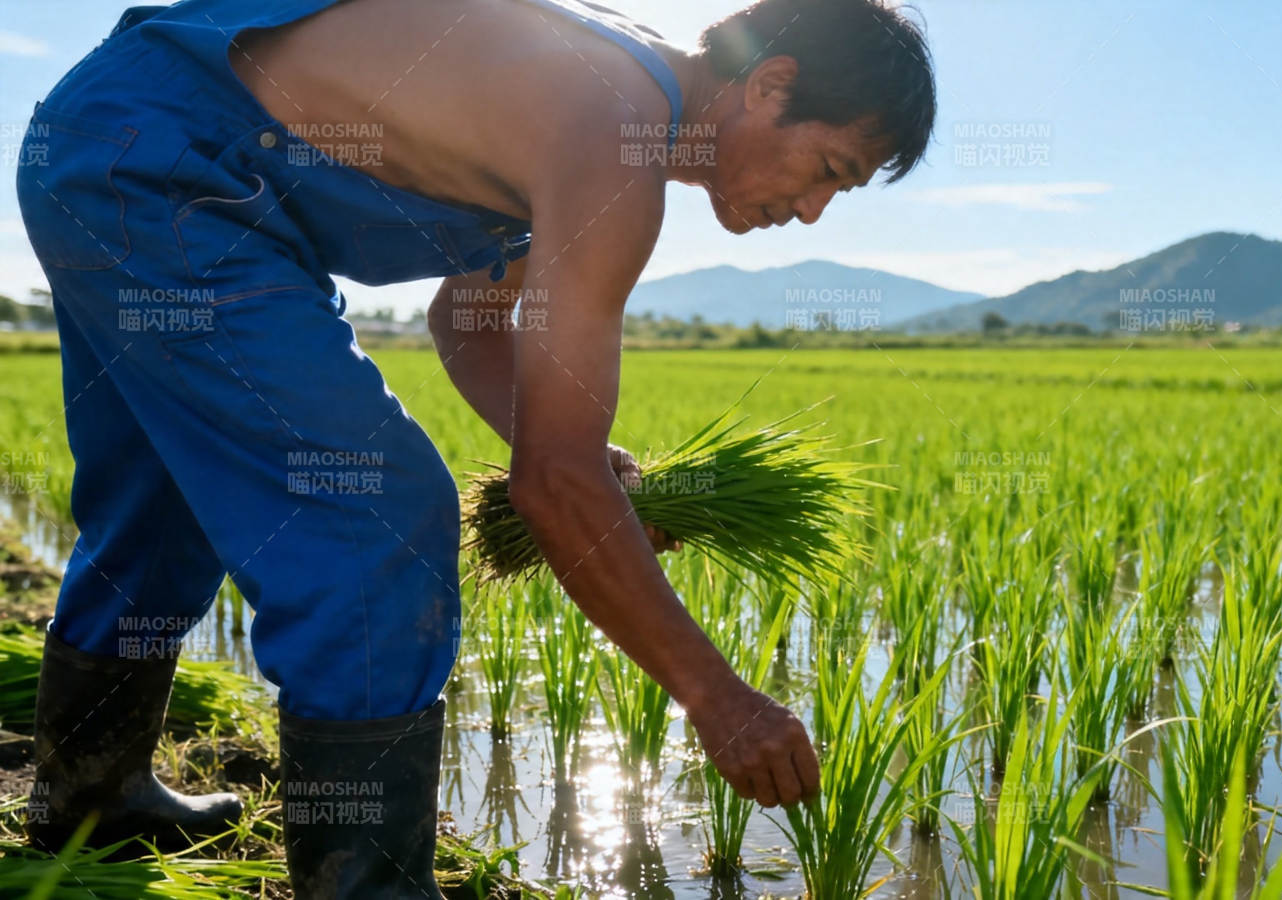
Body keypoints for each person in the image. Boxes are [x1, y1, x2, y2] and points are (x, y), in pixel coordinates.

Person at [15, 0, 935, 894]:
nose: (812, 210)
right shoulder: (616, 135)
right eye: (828, 168)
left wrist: (579, 454)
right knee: (380, 517)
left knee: (163, 497)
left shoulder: (621, 105)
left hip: (123, 139)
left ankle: (92, 801)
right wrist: (721, 701)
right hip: (168, 173)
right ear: (770, 84)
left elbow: (471, 314)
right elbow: (551, 484)